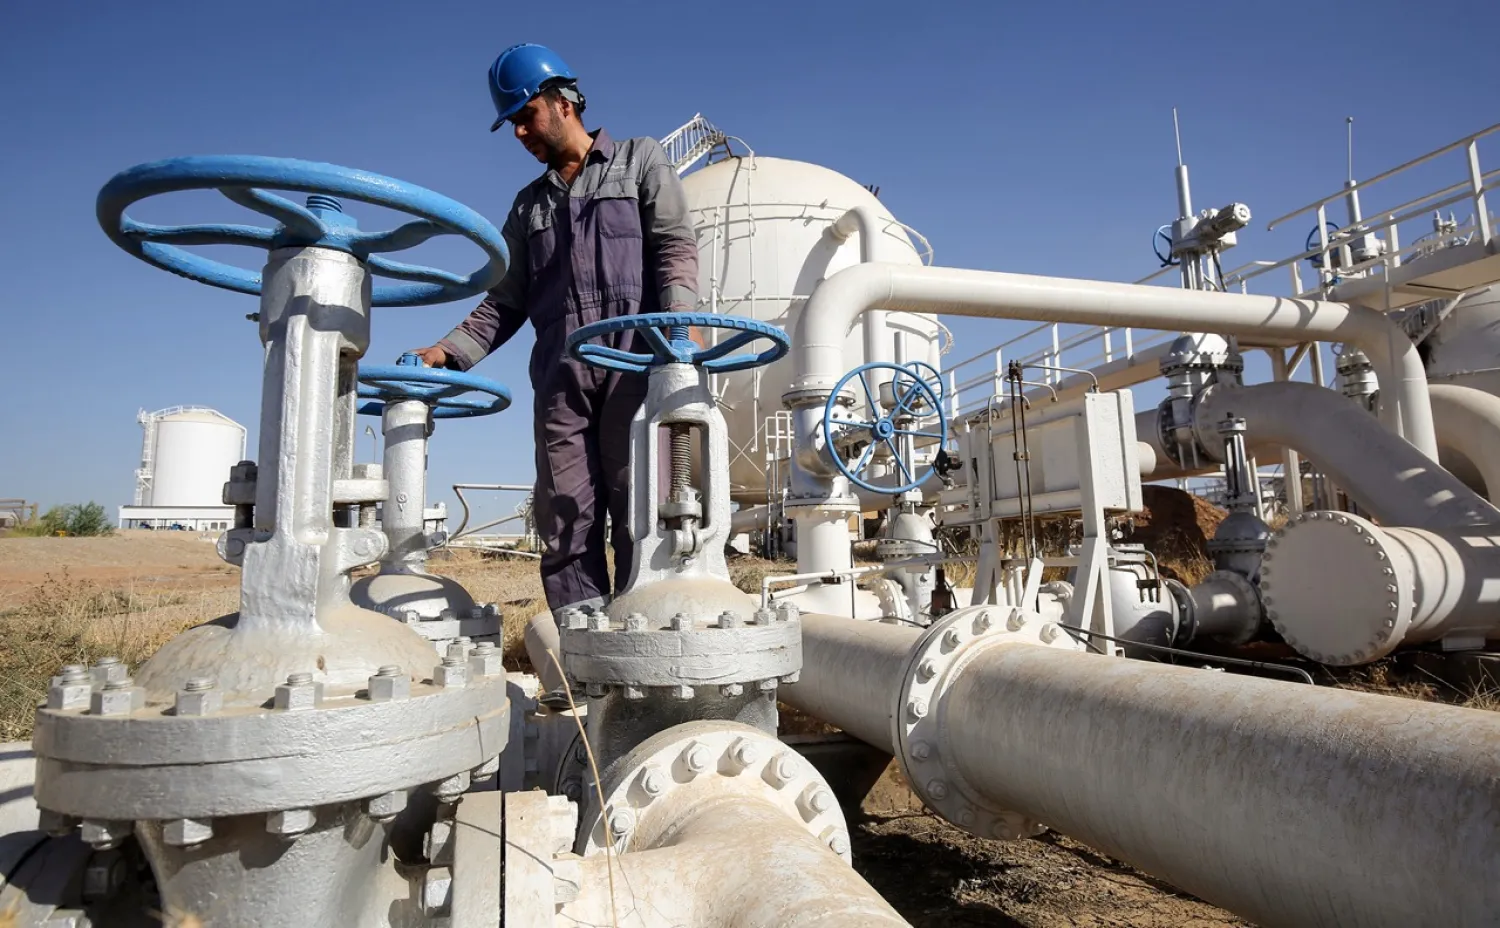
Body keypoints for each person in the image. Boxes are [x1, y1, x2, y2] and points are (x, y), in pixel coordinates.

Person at [411, 43, 700, 614]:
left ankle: (647, 628)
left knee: (643, 507)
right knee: (565, 515)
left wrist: (679, 329)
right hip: (562, 379)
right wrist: (446, 352)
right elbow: (505, 301)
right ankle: (581, 646)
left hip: (638, 362)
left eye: (526, 116)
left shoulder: (639, 161)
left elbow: (674, 246)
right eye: (513, 124)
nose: (520, 133)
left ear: (563, 103)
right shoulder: (528, 208)